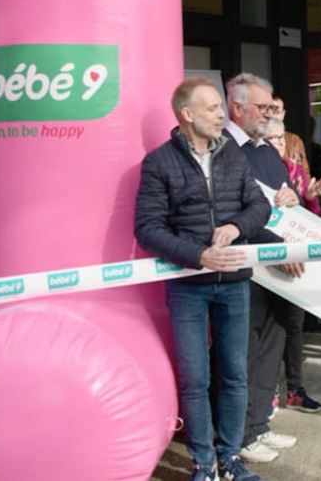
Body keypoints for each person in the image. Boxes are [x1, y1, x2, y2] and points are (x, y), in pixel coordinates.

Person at [134, 77, 269, 481]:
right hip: (187, 286)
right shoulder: (159, 163)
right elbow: (147, 228)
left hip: (234, 283)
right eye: (212, 108)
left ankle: (229, 458)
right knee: (194, 379)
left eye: (220, 107)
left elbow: (259, 206)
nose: (221, 114)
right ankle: (203, 464)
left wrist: (234, 226)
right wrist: (198, 255)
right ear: (187, 115)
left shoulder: (233, 157)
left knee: (234, 374)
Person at [223, 73, 302, 464]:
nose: (270, 114)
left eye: (273, 108)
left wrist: (291, 197)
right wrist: (276, 247)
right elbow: (232, 213)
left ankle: (258, 426)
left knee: (271, 347)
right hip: (245, 266)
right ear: (236, 108)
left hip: (278, 271)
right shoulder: (223, 151)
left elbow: (282, 203)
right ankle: (238, 435)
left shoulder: (268, 151)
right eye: (263, 108)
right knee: (243, 355)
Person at [262, 118, 321, 414]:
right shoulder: (253, 168)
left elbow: (312, 218)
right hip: (265, 263)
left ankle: (296, 390)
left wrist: (308, 199)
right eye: (270, 139)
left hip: (295, 261)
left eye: (280, 138)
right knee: (268, 329)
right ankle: (269, 391)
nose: (276, 144)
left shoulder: (296, 170)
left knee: (294, 327)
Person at [264, 118, 321, 216]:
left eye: (282, 137)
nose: (281, 143)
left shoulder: (297, 171)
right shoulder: (254, 170)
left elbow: (314, 217)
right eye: (274, 138)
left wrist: (309, 199)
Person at [273, 93, 310, 177]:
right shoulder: (257, 140)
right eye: (271, 111)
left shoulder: (294, 141)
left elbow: (305, 173)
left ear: (283, 114)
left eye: (277, 112)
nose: (274, 116)